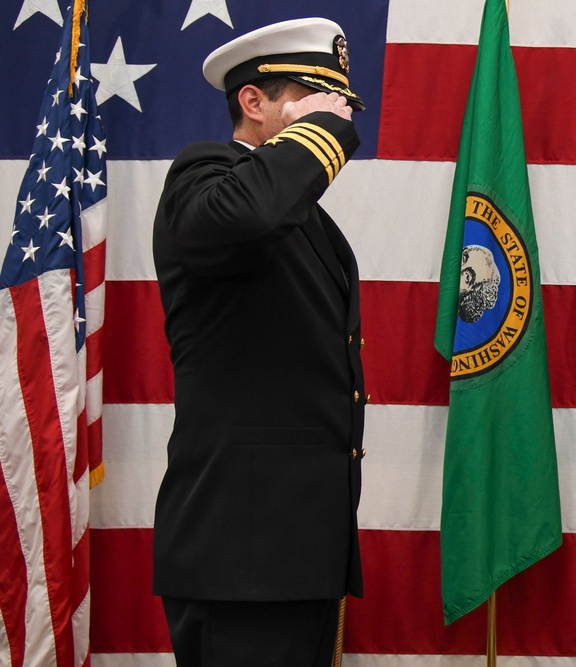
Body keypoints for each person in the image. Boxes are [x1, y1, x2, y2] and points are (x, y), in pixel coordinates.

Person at [151, 17, 368, 667]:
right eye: (316, 97)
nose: (339, 116)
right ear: (253, 101)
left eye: (343, 104)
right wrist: (321, 135)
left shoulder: (299, 215)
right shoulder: (204, 176)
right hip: (239, 555)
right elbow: (245, 215)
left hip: (296, 554)